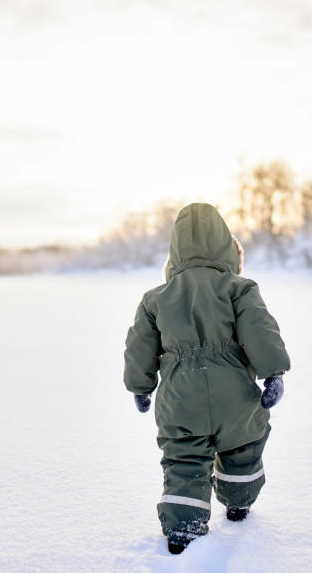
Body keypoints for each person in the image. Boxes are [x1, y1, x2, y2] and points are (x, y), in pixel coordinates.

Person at [123, 202, 291, 554]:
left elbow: (139, 346)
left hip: (181, 399)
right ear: (227, 248)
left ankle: (183, 530)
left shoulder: (156, 299)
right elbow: (259, 330)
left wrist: (140, 387)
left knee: (184, 460)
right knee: (243, 444)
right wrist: (273, 373)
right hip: (235, 395)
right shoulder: (239, 288)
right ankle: (238, 502)